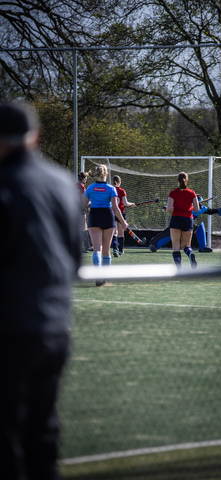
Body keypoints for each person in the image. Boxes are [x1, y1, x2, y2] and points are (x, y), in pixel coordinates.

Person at [0, 101, 82, 480]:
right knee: (43, 431)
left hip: (9, 327)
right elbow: (73, 253)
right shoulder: (62, 181)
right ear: (35, 136)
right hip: (54, 326)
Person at [82, 165, 128, 286]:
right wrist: (123, 222)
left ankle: (98, 274)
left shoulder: (90, 188)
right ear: (107, 174)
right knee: (106, 250)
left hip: (95, 216)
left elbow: (82, 205)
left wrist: (92, 202)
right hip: (108, 216)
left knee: (97, 248)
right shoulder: (111, 188)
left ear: (96, 174)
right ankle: (105, 277)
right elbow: (115, 207)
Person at [149, 195, 221, 252]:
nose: (198, 205)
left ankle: (202, 248)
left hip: (188, 224)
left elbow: (211, 211)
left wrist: (220, 210)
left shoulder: (202, 208)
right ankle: (155, 244)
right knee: (170, 234)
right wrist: (167, 207)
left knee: (199, 227)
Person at [165, 171, 199, 268]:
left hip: (176, 219)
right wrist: (190, 207)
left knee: (176, 246)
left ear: (177, 181)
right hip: (188, 220)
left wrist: (172, 208)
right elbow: (196, 209)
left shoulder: (173, 193)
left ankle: (178, 267)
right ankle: (190, 254)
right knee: (186, 245)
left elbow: (168, 209)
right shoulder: (192, 193)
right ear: (187, 181)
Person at [112, 175, 136, 257]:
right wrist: (131, 204)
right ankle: (121, 250)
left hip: (112, 212)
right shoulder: (122, 191)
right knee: (121, 234)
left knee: (114, 232)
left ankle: (115, 249)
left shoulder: (111, 190)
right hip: (121, 213)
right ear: (119, 182)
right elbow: (125, 203)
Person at [75, 171, 92, 253]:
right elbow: (84, 202)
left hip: (73, 208)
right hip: (80, 209)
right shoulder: (82, 187)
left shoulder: (74, 185)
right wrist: (90, 204)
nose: (86, 180)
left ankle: (82, 246)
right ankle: (85, 246)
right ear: (82, 178)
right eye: (85, 178)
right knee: (84, 227)